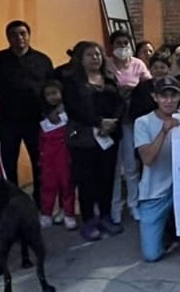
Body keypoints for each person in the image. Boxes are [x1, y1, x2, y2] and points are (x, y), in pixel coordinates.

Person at [0, 20, 54, 206]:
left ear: (29, 35)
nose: (19, 38)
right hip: (7, 121)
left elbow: (52, 90)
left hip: (37, 120)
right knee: (7, 163)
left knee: (40, 163)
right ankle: (13, 202)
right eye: (14, 34)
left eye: (23, 33)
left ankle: (41, 201)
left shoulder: (43, 60)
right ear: (8, 37)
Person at [135, 77, 180, 264]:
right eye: (163, 96)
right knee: (151, 255)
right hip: (155, 191)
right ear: (154, 97)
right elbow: (147, 159)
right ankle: (168, 231)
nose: (169, 100)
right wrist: (164, 131)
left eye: (173, 95)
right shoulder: (143, 122)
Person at [63, 41, 124, 241]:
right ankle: (88, 220)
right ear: (80, 59)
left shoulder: (109, 79)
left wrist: (112, 122)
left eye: (98, 54)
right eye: (90, 55)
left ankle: (105, 217)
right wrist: (98, 122)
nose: (95, 58)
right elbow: (73, 109)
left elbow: (119, 104)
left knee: (106, 178)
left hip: (109, 137)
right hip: (84, 138)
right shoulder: (72, 82)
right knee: (86, 180)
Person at [107, 29, 153, 225]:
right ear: (112, 46)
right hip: (109, 122)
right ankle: (115, 206)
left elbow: (149, 86)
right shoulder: (106, 64)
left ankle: (133, 204)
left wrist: (132, 90)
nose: (122, 47)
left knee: (131, 166)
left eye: (126, 43)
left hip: (131, 121)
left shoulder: (138, 64)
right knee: (114, 168)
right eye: (118, 43)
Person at [38, 81, 77, 230]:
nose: (52, 97)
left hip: (65, 153)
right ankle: (46, 214)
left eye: (55, 93)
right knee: (48, 185)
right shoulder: (42, 113)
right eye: (48, 94)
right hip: (48, 156)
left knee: (67, 184)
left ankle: (69, 214)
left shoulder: (69, 110)